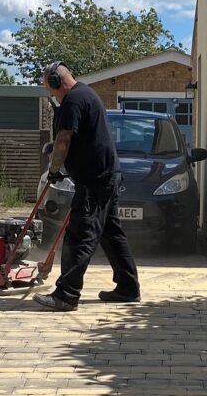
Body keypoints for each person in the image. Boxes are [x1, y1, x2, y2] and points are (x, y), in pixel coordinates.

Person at [33, 62, 141, 311]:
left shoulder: (73, 101)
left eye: (50, 88)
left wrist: (53, 170)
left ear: (57, 82)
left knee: (80, 235)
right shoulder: (87, 94)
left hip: (95, 180)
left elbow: (63, 140)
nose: (51, 94)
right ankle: (128, 287)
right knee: (111, 234)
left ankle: (66, 295)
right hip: (107, 176)